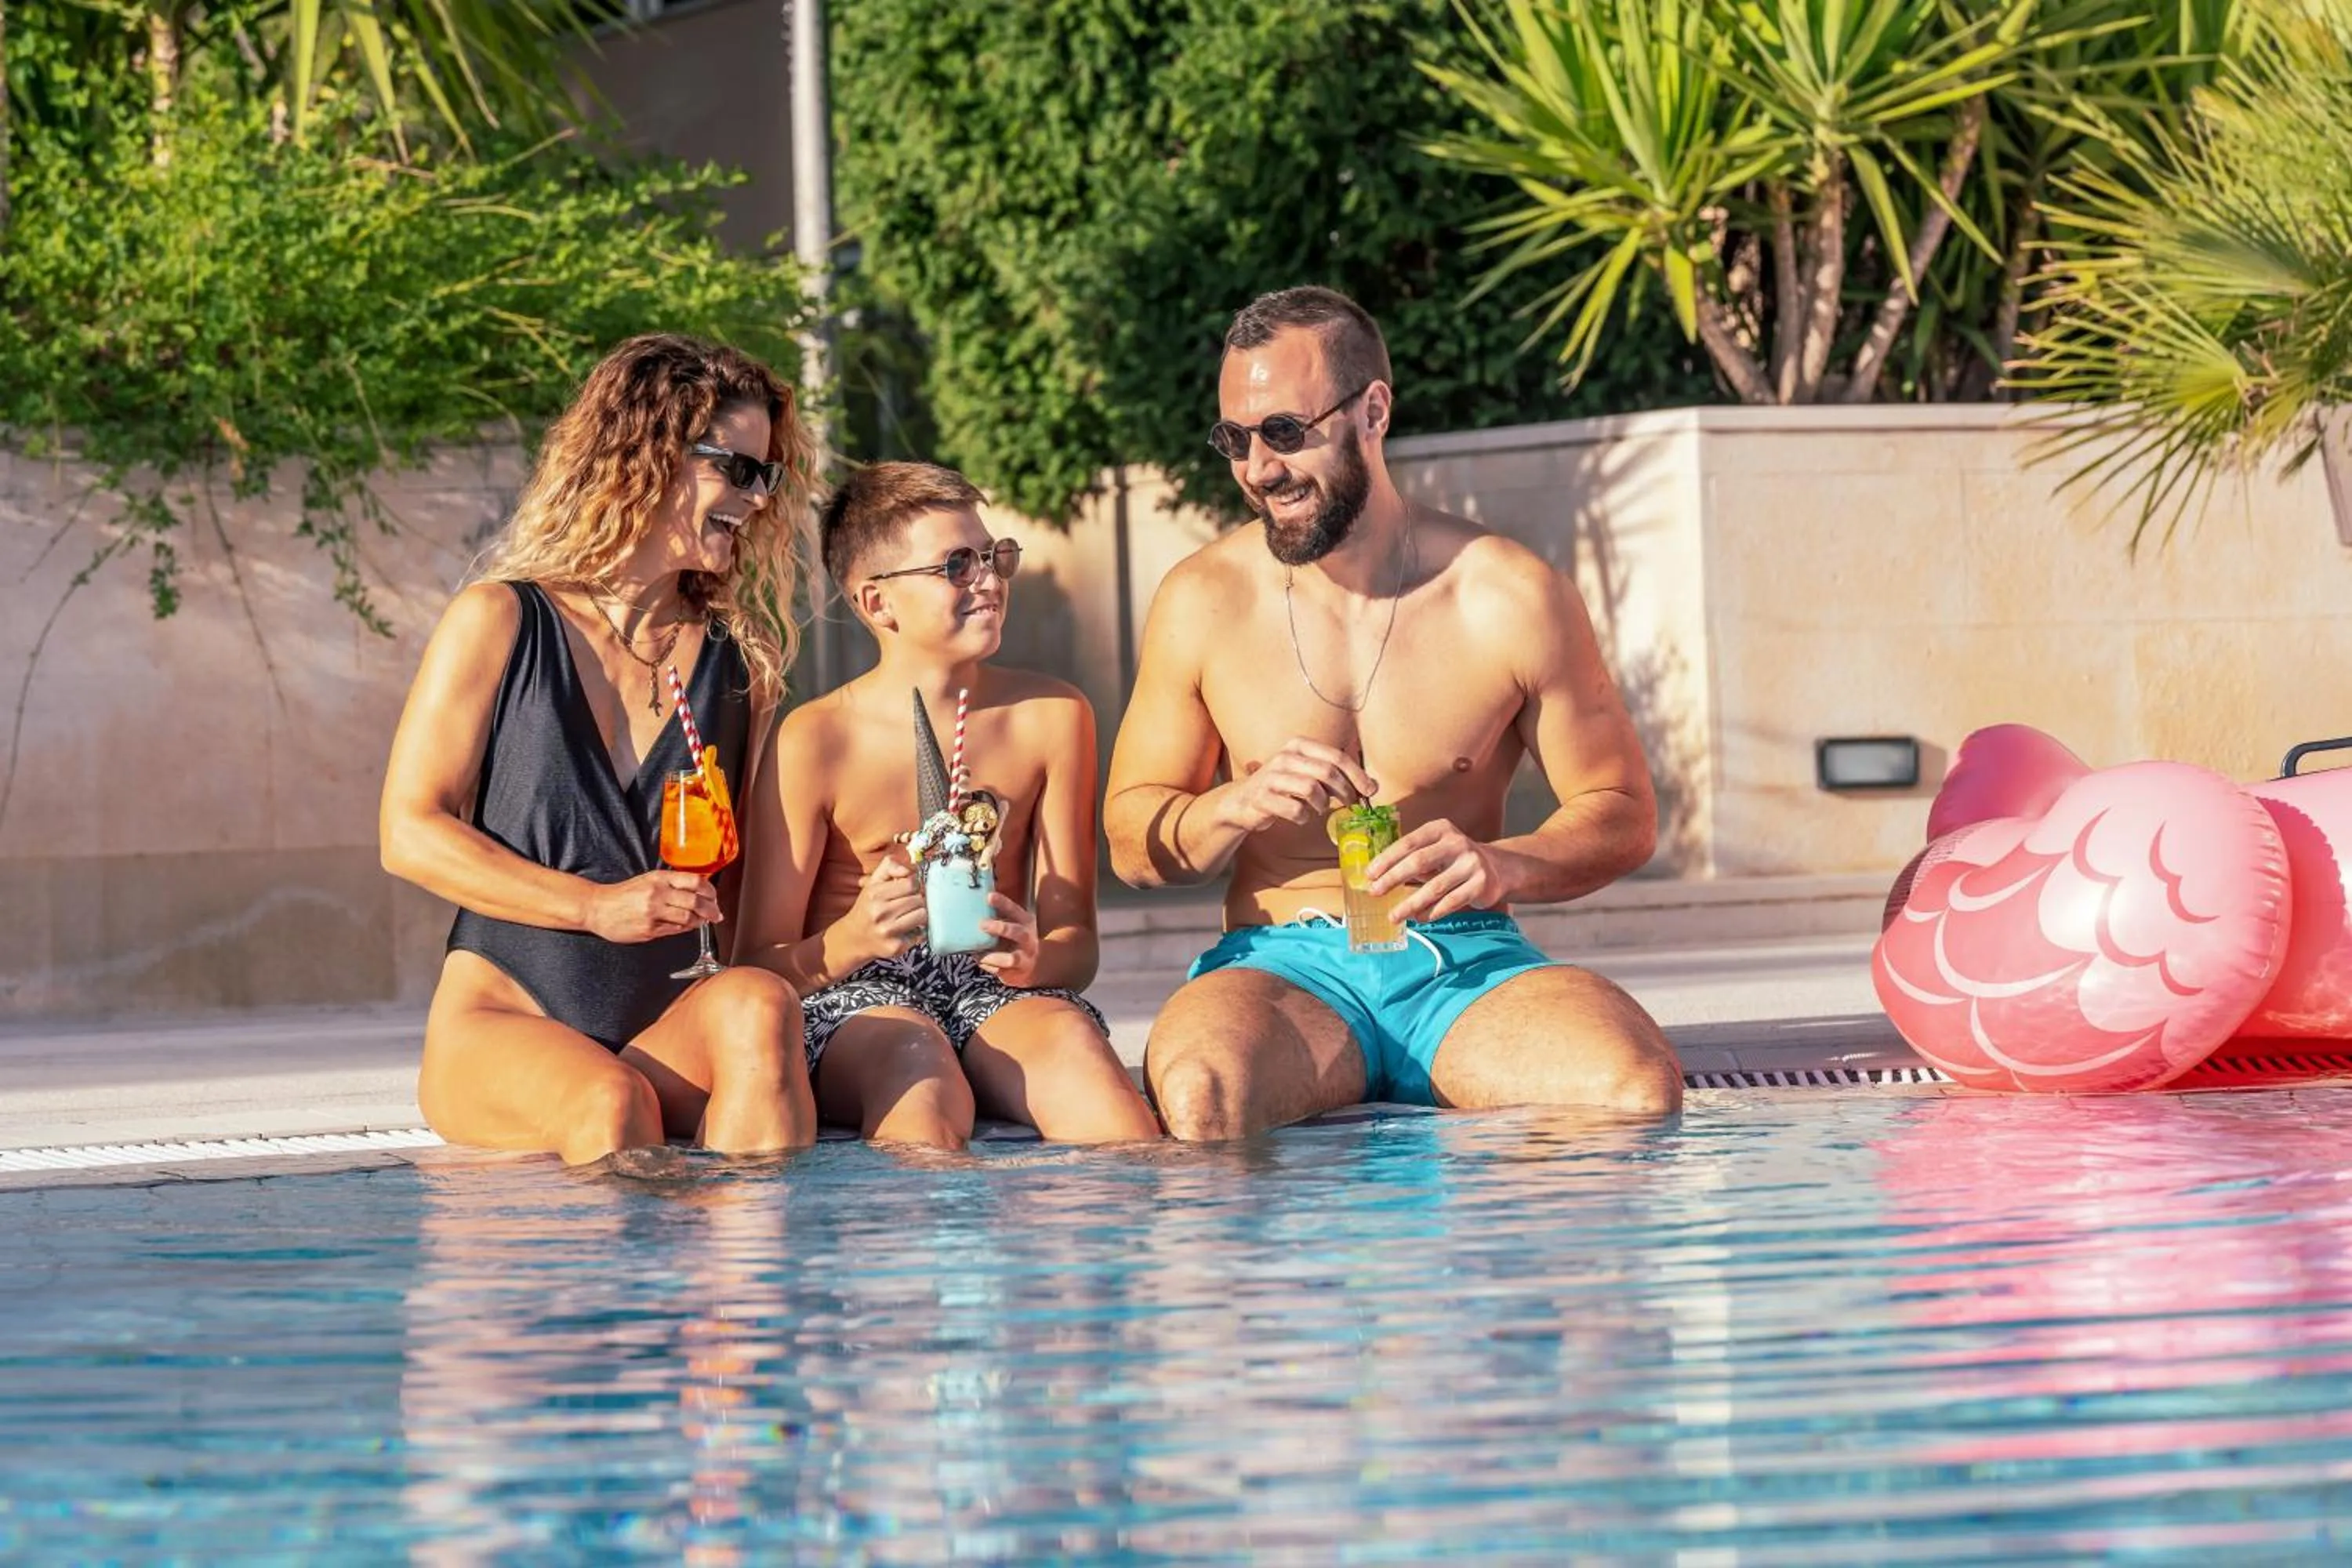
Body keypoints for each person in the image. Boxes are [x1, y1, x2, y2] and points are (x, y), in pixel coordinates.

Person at [1103, 286, 1685, 1140]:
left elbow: (1624, 814)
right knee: (1201, 1100)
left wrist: (1504, 865)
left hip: (1464, 960)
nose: (1259, 467)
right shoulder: (1203, 600)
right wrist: (1230, 806)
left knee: (1636, 1093)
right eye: (1236, 438)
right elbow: (1131, 838)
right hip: (1283, 965)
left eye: (1286, 432)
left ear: (1373, 409)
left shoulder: (1508, 593)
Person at [380, 333, 816, 1165]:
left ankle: (749, 1287)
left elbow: (746, 909)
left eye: (770, 476)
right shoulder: (501, 621)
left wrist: (868, 936)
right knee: (612, 1101)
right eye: (740, 469)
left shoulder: (737, 664)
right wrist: (592, 905)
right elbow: (408, 831)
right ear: (649, 455)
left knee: (760, 1004)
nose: (758, 500)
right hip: (506, 1018)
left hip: (669, 1028)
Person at [735, 461, 1161, 1149]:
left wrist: (1034, 963)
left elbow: (1075, 946)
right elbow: (756, 964)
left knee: (1086, 1068)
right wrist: (851, 939)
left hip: (994, 988)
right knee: (923, 1084)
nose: (989, 580)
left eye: (994, 557)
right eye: (956, 565)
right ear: (878, 604)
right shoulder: (816, 739)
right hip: (855, 999)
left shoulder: (1051, 716)